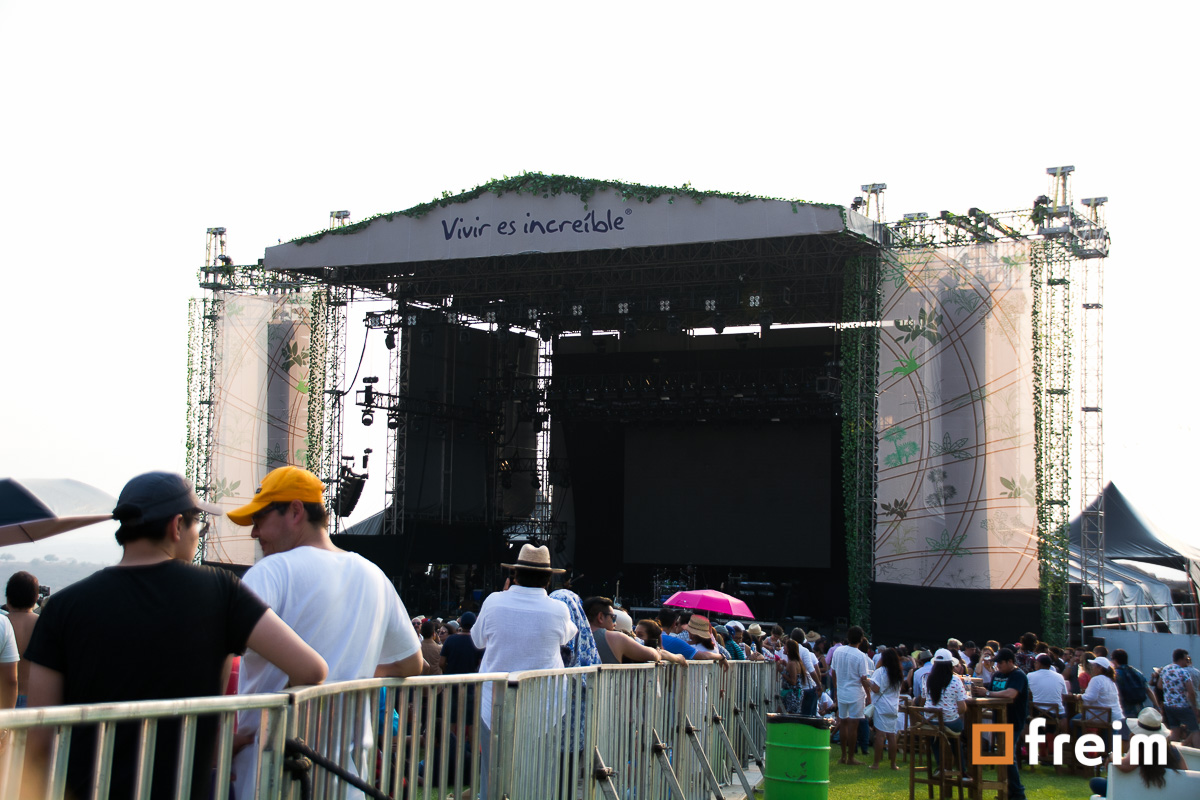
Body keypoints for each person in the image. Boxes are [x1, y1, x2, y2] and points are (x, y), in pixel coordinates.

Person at [24, 471, 328, 800]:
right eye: (200, 526)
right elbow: (311, 669)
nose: (198, 535)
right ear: (177, 525)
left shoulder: (62, 607)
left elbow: (39, 741)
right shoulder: (220, 590)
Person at [226, 466, 423, 800]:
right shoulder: (375, 576)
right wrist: (349, 673)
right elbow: (411, 663)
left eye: (259, 519)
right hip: (346, 782)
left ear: (295, 511)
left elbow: (220, 646)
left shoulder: (270, 571)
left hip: (271, 778)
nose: (254, 533)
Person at [472, 544, 578, 796]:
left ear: (515, 574)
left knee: (492, 773)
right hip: (545, 707)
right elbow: (566, 637)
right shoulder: (558, 609)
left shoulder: (493, 601)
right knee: (538, 775)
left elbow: (477, 640)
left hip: (495, 702)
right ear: (548, 579)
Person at [1088, 707, 1187, 797]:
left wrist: (1111, 756)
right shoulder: (1172, 750)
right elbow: (1185, 774)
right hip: (1167, 794)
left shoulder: (1140, 747)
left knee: (1095, 783)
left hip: (1139, 791)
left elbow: (1125, 766)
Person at [976, 648, 1028, 800]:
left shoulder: (1018, 675)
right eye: (996, 663)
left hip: (1013, 720)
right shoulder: (997, 675)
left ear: (1010, 662)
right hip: (998, 718)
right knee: (1003, 757)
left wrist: (987, 693)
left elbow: (1011, 694)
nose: (997, 666)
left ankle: (1018, 793)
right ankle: (1008, 791)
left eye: (1000, 663)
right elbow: (992, 691)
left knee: (1007, 756)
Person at [831, 625, 872, 765]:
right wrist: (869, 695)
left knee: (843, 723)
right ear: (861, 639)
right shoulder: (861, 656)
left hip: (842, 692)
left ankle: (843, 756)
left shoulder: (838, 651)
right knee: (853, 726)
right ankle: (851, 757)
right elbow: (864, 678)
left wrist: (836, 689)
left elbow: (833, 672)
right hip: (856, 693)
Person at [584, 596, 663, 664]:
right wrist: (658, 653)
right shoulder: (616, 638)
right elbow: (653, 655)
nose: (615, 624)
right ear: (600, 617)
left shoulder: (577, 635)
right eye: (613, 617)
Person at [864, 647, 903, 770]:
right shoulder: (898, 673)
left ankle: (876, 764)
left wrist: (868, 682)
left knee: (880, 735)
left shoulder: (881, 671)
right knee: (891, 736)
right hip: (893, 707)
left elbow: (876, 689)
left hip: (881, 706)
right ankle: (893, 764)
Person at [5, 571, 39, 707]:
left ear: (8, 598)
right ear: (36, 598)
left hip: (4, 698)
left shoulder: (3, 624)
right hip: (34, 698)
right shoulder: (43, 624)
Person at [1158, 648, 1200, 747]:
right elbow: (1191, 692)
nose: (1187, 661)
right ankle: (1197, 751)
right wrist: (1194, 706)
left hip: (1169, 705)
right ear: (1181, 659)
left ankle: (1171, 751)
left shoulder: (1165, 669)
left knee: (1175, 730)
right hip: (1182, 705)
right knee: (1195, 730)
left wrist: (1170, 690)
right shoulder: (1183, 672)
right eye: (1186, 659)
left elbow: (1159, 685)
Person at [1026, 653, 1070, 735]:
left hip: (1038, 712)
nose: (1034, 664)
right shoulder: (1059, 676)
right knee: (1063, 711)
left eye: (1035, 663)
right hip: (1056, 714)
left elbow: (1024, 692)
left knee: (1023, 715)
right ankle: (1063, 736)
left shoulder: (1030, 675)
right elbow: (1064, 695)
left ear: (1039, 664)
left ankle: (1027, 741)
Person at [1112, 648, 1157, 719]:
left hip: (1124, 709)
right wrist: (1156, 706)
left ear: (1115, 660)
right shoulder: (1137, 672)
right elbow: (1148, 690)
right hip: (1140, 709)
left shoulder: (1115, 674)